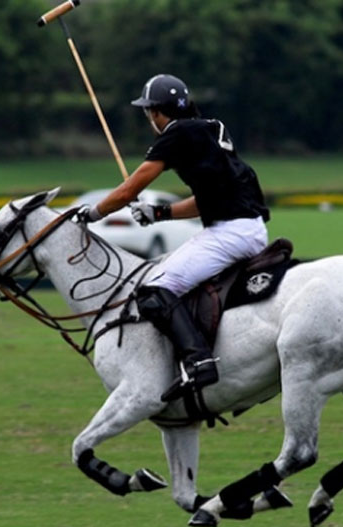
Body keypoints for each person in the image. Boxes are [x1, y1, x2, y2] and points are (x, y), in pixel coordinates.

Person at [78, 74, 270, 401]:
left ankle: (198, 361)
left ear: (155, 113)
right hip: (245, 227)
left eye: (148, 112)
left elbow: (130, 188)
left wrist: (92, 214)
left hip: (231, 233)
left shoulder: (176, 134)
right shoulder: (208, 128)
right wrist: (159, 214)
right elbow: (210, 199)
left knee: (155, 290)